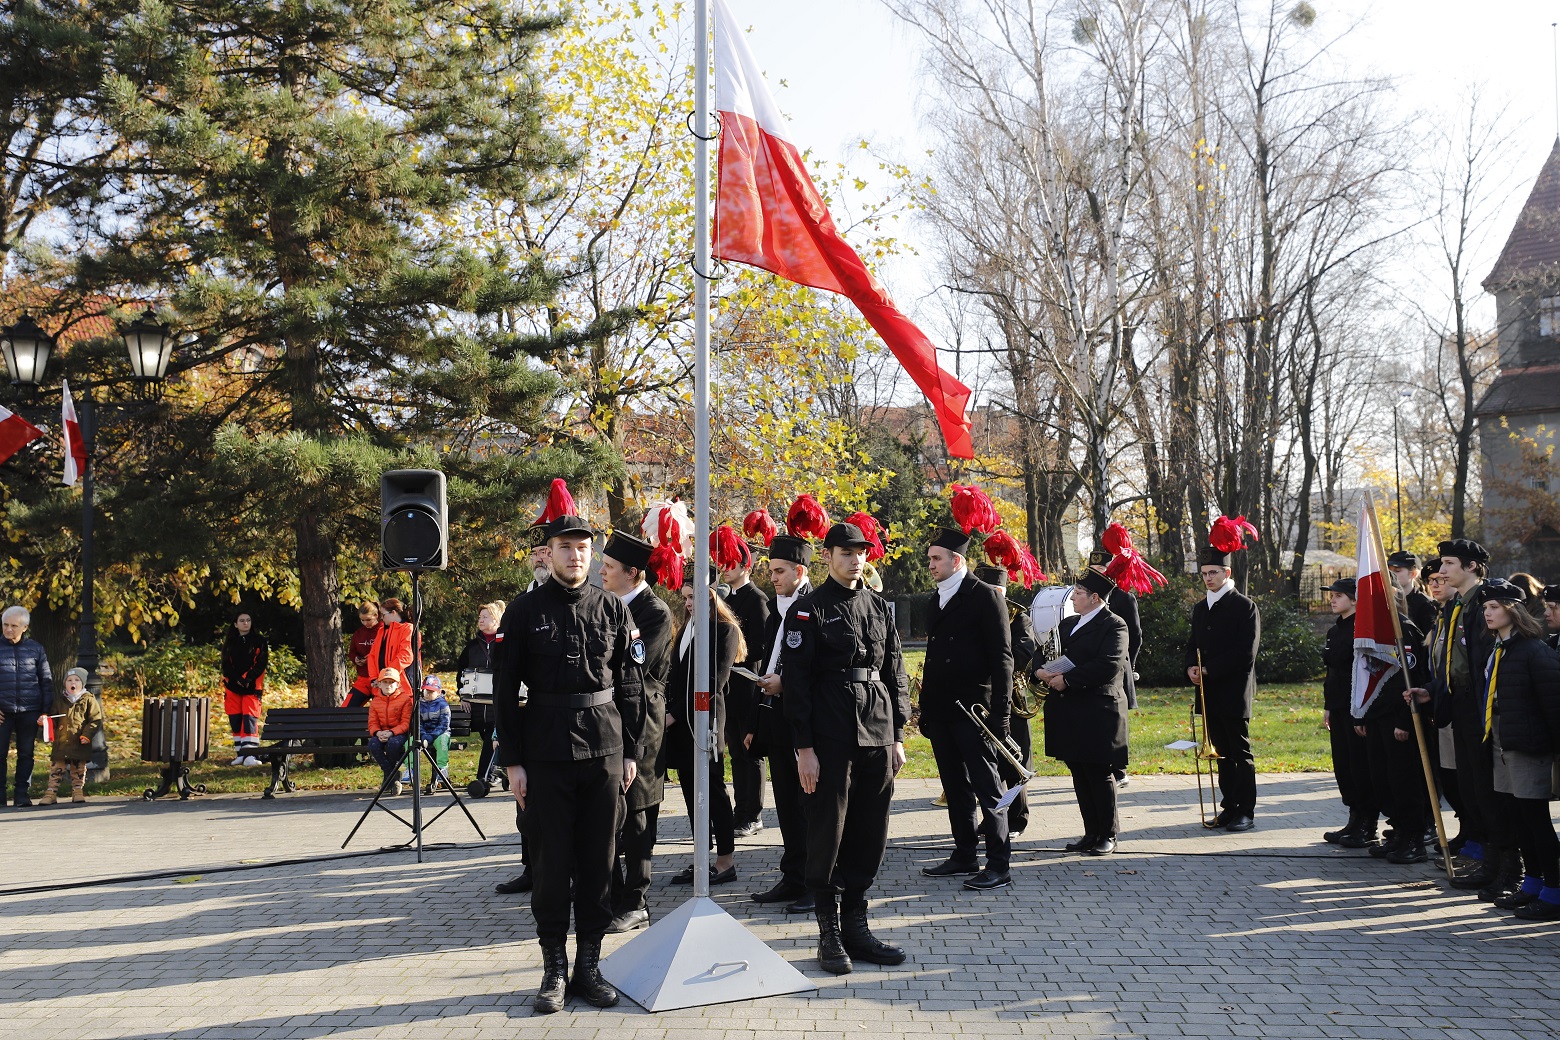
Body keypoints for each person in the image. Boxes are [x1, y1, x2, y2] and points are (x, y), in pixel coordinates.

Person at [493, 510, 645, 1014]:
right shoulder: (522, 611)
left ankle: (590, 967)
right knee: (552, 864)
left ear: (591, 553)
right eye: (565, 547)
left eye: (583, 548)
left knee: (600, 862)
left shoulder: (613, 609)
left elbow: (628, 684)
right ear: (548, 552)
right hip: (545, 753)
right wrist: (513, 761)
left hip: (603, 749)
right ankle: (554, 968)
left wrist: (630, 750)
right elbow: (504, 691)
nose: (575, 555)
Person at [781, 521, 910, 975]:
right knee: (828, 830)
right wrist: (804, 748)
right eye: (846, 553)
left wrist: (897, 734)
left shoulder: (878, 606)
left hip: (876, 730)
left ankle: (857, 924)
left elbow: (896, 670)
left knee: (870, 832)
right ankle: (828, 932)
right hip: (830, 734)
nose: (856, 560)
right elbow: (796, 684)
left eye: (861, 553)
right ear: (828, 556)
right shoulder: (808, 610)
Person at [918, 526, 1015, 890]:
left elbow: (1002, 659)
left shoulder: (985, 596)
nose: (930, 565)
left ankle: (999, 864)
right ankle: (964, 854)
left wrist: (1001, 713)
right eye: (930, 558)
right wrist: (925, 708)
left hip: (975, 710)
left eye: (935, 559)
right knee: (954, 786)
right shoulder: (935, 599)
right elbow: (932, 658)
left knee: (989, 788)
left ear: (956, 560)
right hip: (942, 710)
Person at [1469, 580, 1560, 920]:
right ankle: (1534, 884)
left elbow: (1553, 704)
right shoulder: (1500, 648)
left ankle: (1554, 892)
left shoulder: (1534, 651)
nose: (1487, 613)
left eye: (1493, 607)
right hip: (1501, 745)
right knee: (1519, 820)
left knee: (1536, 821)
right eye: (1485, 608)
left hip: (1528, 747)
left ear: (1513, 609)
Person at [600, 530, 675, 934]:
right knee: (608, 810)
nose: (601, 572)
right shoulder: (606, 604)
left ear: (632, 573)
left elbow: (635, 669)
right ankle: (608, 893)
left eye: (609, 568)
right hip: (608, 722)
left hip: (642, 723)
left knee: (640, 814)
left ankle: (636, 900)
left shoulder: (654, 611)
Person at [1435, 538, 1514, 897]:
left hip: (1480, 706)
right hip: (1461, 703)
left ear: (1472, 567)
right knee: (1471, 787)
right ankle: (1485, 856)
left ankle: (1503, 867)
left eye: (1450, 563)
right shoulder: (1459, 605)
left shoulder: (1484, 603)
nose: (1442, 570)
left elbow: (1484, 662)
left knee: (1487, 789)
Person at [1036, 569, 1130, 855]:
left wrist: (1068, 679)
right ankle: (1091, 832)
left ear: (1095, 598)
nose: (1073, 597)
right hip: (1069, 710)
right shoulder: (1069, 623)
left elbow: (1109, 664)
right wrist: (1040, 670)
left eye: (1078, 593)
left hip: (1097, 710)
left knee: (1099, 772)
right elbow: (1046, 650)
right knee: (1079, 770)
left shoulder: (1114, 625)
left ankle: (1108, 834)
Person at [747, 532, 816, 914]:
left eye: (778, 571)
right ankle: (792, 877)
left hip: (802, 720)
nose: (771, 577)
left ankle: (812, 882)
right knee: (787, 804)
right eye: (770, 570)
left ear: (799, 571)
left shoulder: (814, 606)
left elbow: (816, 667)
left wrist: (784, 683)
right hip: (775, 716)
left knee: (808, 806)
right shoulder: (777, 608)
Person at [665, 573, 744, 887]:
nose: (687, 604)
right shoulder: (686, 628)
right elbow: (675, 675)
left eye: (693, 597)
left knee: (712, 789)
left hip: (707, 720)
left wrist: (675, 711)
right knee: (689, 789)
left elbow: (715, 681)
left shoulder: (725, 630)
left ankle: (725, 862)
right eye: (684, 598)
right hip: (680, 723)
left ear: (711, 596)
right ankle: (701, 858)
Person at [1183, 522, 1261, 832]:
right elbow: (1193, 644)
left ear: (1227, 574)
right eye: (1204, 574)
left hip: (1233, 691)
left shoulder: (1245, 606)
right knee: (1221, 754)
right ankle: (1229, 807)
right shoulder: (1201, 608)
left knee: (1239, 752)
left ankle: (1246, 810)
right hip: (1208, 693)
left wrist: (1208, 669)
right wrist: (1190, 666)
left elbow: (1246, 653)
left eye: (1213, 573)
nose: (1208, 578)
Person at [1355, 593, 1432, 864]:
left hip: (1396, 717)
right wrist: (1361, 714)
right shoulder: (1371, 631)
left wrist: (1404, 720)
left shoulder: (1404, 630)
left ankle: (1414, 838)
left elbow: (1410, 677)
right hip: (1376, 715)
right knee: (1383, 778)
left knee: (1404, 780)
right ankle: (1398, 830)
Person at [975, 564, 1040, 836]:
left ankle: (1016, 819)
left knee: (1013, 763)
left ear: (1001, 592)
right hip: (981, 699)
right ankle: (991, 818)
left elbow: (1025, 651)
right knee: (986, 767)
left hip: (1010, 701)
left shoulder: (1019, 619)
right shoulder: (974, 615)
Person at [718, 533, 771, 837]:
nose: (725, 566)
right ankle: (741, 811)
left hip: (749, 685)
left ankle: (754, 813)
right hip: (730, 689)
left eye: (730, 562)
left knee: (751, 753)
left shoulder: (757, 599)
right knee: (736, 753)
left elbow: (761, 648)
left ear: (745, 565)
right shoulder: (727, 597)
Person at [1319, 578, 1377, 847]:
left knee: (1359, 766)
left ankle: (1367, 824)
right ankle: (1354, 820)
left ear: (1355, 599)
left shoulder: (1361, 629)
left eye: (1339, 595)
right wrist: (1328, 706)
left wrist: (1360, 713)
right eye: (1332, 595)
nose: (1332, 599)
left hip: (1356, 706)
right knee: (1343, 765)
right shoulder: (1335, 630)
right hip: (1339, 705)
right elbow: (1332, 673)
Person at [1087, 543, 1142, 790]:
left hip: (1119, 667)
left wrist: (1126, 662)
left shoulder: (1123, 596)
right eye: (1094, 567)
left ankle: (1119, 770)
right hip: (1092, 667)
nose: (1098, 571)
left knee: (1116, 721)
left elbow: (1136, 635)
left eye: (1103, 567)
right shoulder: (1084, 596)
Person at [0, 605, 52, 807]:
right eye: (5, 625)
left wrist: (45, 711)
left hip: (29, 710)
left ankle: (22, 794)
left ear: (25, 627)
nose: (8, 629)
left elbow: (45, 680)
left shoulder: (36, 649)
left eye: (13, 625)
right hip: (3, 712)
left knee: (26, 754)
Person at [456, 601, 506, 789]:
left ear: (496, 619)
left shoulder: (505, 641)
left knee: (492, 736)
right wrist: (463, 695)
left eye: (485, 616)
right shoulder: (472, 646)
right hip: (478, 704)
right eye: (479, 617)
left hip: (499, 700)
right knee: (489, 736)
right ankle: (498, 772)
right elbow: (461, 671)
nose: (481, 620)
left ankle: (484, 777)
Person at [40, 668, 103, 805]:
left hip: (79, 742)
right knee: (57, 768)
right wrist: (45, 722)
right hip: (61, 743)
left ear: (82, 684)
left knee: (78, 768)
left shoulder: (88, 700)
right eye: (69, 680)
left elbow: (95, 720)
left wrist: (87, 735)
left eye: (76, 680)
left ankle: (77, 790)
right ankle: (51, 792)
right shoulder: (60, 701)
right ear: (65, 684)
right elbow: (53, 719)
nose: (72, 683)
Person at [221, 611, 269, 766]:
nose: (245, 623)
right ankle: (240, 753)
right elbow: (226, 665)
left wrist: (247, 678)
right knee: (235, 718)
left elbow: (261, 663)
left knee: (249, 718)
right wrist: (237, 679)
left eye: (248, 620)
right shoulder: (230, 642)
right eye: (242, 620)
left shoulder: (259, 641)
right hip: (233, 687)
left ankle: (251, 754)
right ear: (235, 624)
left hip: (252, 686)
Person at [366, 667, 413, 795]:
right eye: (385, 682)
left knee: (393, 744)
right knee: (373, 744)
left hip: (399, 733)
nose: (388, 685)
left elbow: (406, 723)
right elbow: (372, 723)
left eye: (391, 682)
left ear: (397, 684)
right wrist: (377, 733)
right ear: (379, 684)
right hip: (381, 733)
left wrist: (392, 732)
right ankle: (392, 774)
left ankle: (388, 779)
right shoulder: (375, 702)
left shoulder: (405, 700)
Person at [366, 598, 416, 687]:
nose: (381, 618)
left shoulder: (407, 628)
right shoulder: (382, 631)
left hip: (401, 685)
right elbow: (372, 655)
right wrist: (374, 678)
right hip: (381, 685)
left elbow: (405, 656)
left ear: (393, 613)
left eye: (383, 614)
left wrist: (386, 676)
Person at [1388, 551, 1439, 634]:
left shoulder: (1426, 605)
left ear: (1413, 574)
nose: (1391, 575)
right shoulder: (1384, 601)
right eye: (1389, 571)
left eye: (1397, 571)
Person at [418, 675, 452, 792]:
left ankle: (442, 769)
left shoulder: (443, 705)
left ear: (438, 692)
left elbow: (444, 725)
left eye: (431, 691)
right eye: (426, 691)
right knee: (411, 742)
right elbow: (418, 723)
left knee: (441, 742)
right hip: (424, 735)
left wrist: (431, 736)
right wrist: (423, 735)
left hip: (440, 733)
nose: (428, 694)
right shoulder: (419, 704)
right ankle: (411, 769)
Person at [344, 601, 381, 708]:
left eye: (368, 620)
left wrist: (370, 658)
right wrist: (355, 658)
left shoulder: (383, 630)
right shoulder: (359, 633)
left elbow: (386, 652)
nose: (365, 623)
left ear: (376, 616)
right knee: (344, 710)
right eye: (362, 620)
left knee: (380, 713)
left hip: (379, 679)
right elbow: (352, 651)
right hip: (363, 679)